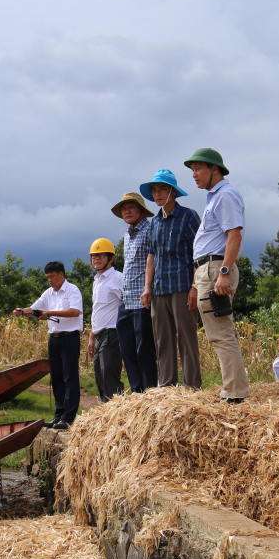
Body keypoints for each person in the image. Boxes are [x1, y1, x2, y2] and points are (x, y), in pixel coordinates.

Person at [185, 147, 251, 403]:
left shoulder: (225, 195)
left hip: (215, 268)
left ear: (214, 169)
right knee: (219, 333)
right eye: (192, 170)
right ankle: (233, 389)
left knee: (221, 333)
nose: (194, 174)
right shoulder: (215, 197)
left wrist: (223, 272)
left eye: (198, 169)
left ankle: (234, 393)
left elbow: (234, 236)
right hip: (209, 268)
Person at [140, 170, 202, 389]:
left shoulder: (189, 216)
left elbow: (199, 253)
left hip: (182, 287)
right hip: (158, 290)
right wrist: (147, 288)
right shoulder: (153, 223)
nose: (157, 194)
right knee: (162, 341)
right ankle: (167, 389)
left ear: (173, 191)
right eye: (154, 190)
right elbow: (151, 256)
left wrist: (195, 287)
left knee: (186, 339)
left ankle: (192, 388)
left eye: (162, 189)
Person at [12, 261, 83, 429]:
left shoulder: (72, 290)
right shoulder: (48, 293)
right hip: (54, 338)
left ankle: (69, 417)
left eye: (52, 276)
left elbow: (75, 311)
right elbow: (35, 309)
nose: (50, 280)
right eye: (47, 277)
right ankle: (59, 415)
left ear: (61, 275)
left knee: (69, 376)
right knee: (56, 377)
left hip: (70, 337)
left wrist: (49, 313)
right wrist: (22, 311)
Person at [111, 192, 159, 393]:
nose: (127, 211)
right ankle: (136, 390)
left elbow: (154, 261)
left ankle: (150, 391)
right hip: (126, 297)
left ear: (141, 210)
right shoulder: (127, 235)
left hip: (142, 298)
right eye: (124, 208)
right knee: (127, 349)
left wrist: (148, 290)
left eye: (131, 207)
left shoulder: (150, 230)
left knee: (144, 348)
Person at [87, 238, 125, 403]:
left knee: (110, 377)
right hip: (99, 336)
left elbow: (129, 303)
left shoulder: (118, 278)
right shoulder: (97, 280)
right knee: (100, 377)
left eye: (101, 256)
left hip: (113, 333)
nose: (96, 259)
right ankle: (106, 415)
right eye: (94, 256)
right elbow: (98, 310)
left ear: (111, 258)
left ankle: (118, 415)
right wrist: (91, 336)